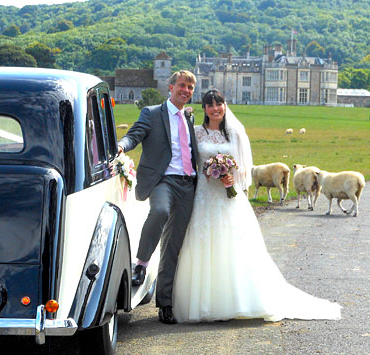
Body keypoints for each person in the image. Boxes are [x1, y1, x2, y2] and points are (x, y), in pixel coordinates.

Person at [172, 89, 341, 322]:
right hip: (204, 194)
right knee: (203, 243)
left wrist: (232, 177)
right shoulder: (197, 132)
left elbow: (243, 166)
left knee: (234, 243)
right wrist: (209, 172)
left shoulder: (234, 132)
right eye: (210, 105)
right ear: (204, 109)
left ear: (225, 105)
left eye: (219, 104)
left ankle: (238, 301)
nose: (215, 109)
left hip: (228, 196)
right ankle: (205, 304)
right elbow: (190, 161)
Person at [117, 70, 198, 324]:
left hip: (188, 184)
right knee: (160, 211)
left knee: (173, 245)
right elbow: (134, 135)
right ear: (170, 87)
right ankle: (140, 263)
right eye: (182, 86)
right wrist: (120, 146)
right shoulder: (152, 113)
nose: (186, 90)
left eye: (191, 87)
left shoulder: (189, 117)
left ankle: (165, 304)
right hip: (163, 180)